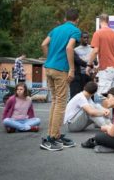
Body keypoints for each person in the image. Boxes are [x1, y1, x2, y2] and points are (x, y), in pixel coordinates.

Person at [40, 8, 81, 151]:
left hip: (49, 68)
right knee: (60, 104)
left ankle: (54, 135)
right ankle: (51, 138)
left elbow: (44, 44)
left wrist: (49, 58)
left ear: (65, 18)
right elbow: (70, 48)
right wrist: (72, 69)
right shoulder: (75, 30)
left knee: (55, 102)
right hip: (61, 70)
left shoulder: (55, 29)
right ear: (77, 20)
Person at [86, 13, 114, 97]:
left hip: (106, 69)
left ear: (100, 21)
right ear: (108, 21)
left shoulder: (98, 33)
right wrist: (112, 53)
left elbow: (95, 51)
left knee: (103, 96)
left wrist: (89, 65)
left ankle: (105, 111)